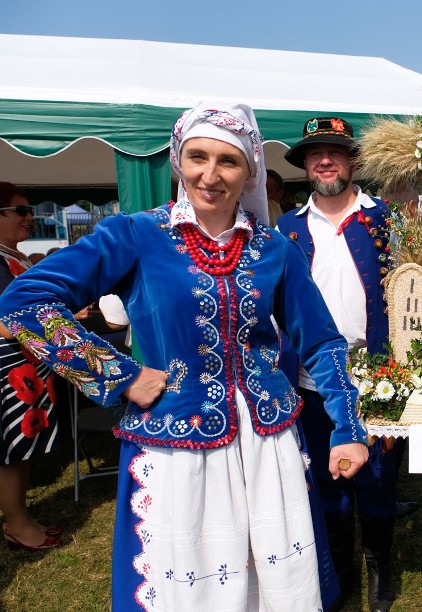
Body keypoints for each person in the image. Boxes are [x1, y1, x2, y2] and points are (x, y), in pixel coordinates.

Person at [0, 103, 369, 611]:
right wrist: (117, 373)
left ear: (251, 171)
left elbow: (322, 342)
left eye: (228, 161)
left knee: (274, 581)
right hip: (174, 446)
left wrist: (347, 429)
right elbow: (23, 303)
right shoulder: (134, 234)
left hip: (268, 446)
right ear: (178, 160)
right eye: (197, 156)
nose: (210, 175)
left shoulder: (274, 250)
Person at [278, 117, 400, 612]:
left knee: (377, 481)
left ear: (352, 161)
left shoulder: (386, 220)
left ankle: (380, 567)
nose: (324, 160)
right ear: (306, 166)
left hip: (377, 377)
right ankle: (339, 569)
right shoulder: (286, 230)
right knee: (325, 483)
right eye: (314, 154)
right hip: (310, 379)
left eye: (335, 152)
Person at [0, 182, 62, 552]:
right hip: (8, 368)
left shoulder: (15, 257)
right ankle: (17, 525)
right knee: (9, 450)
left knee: (21, 447)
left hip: (26, 364)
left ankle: (21, 518)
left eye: (30, 211)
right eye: (21, 211)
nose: (30, 218)